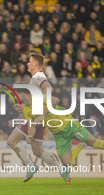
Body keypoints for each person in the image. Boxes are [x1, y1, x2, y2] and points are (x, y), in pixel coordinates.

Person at [15, 88, 104, 184]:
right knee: (67, 163)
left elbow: (55, 100)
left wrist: (43, 115)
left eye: (16, 93)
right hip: (58, 134)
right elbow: (32, 124)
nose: (15, 96)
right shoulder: (25, 109)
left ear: (22, 94)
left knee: (94, 142)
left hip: (69, 124)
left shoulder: (38, 98)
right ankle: (81, 145)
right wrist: (30, 136)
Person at [7, 53, 67, 183]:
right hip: (38, 118)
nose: (27, 63)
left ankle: (30, 166)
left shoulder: (38, 76)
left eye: (29, 61)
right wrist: (24, 106)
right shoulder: (37, 77)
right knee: (38, 151)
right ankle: (61, 169)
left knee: (12, 141)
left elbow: (49, 89)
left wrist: (41, 111)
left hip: (36, 118)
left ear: (35, 64)